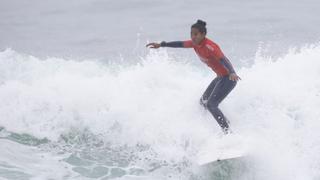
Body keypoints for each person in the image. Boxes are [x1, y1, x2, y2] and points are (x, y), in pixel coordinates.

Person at [146, 19, 241, 134]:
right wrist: (161, 44)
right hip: (220, 77)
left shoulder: (210, 46)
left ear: (203, 34)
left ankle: (228, 132)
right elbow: (179, 44)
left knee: (211, 104)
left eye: (195, 34)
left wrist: (232, 72)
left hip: (228, 78)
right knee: (203, 102)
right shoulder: (194, 44)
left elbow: (223, 59)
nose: (193, 37)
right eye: (191, 34)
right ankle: (226, 123)